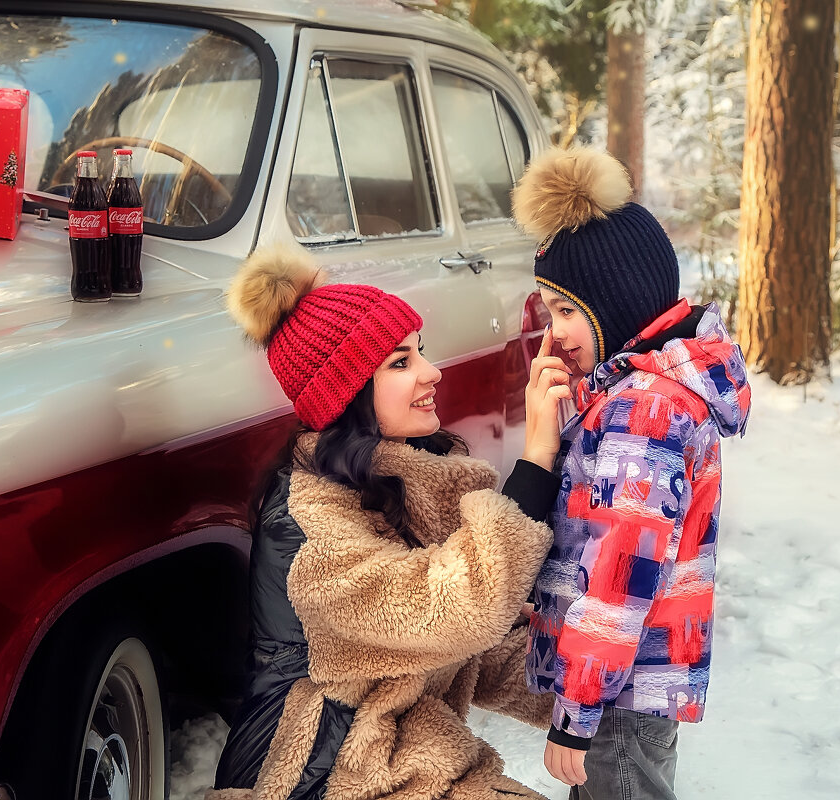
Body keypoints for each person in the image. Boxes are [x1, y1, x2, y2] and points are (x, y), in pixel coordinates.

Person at [208, 241, 570, 800]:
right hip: (320, 775)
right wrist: (536, 460)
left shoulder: (403, 485)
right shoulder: (308, 528)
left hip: (397, 757)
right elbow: (454, 609)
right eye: (400, 362)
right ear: (347, 393)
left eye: (420, 351)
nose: (432, 373)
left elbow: (477, 652)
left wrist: (593, 691)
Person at [510, 148, 753, 800]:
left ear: (614, 303)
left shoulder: (640, 412)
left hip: (618, 690)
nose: (552, 334)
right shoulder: (646, 394)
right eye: (546, 311)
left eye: (564, 312)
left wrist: (579, 707)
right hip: (632, 683)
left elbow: (617, 577)